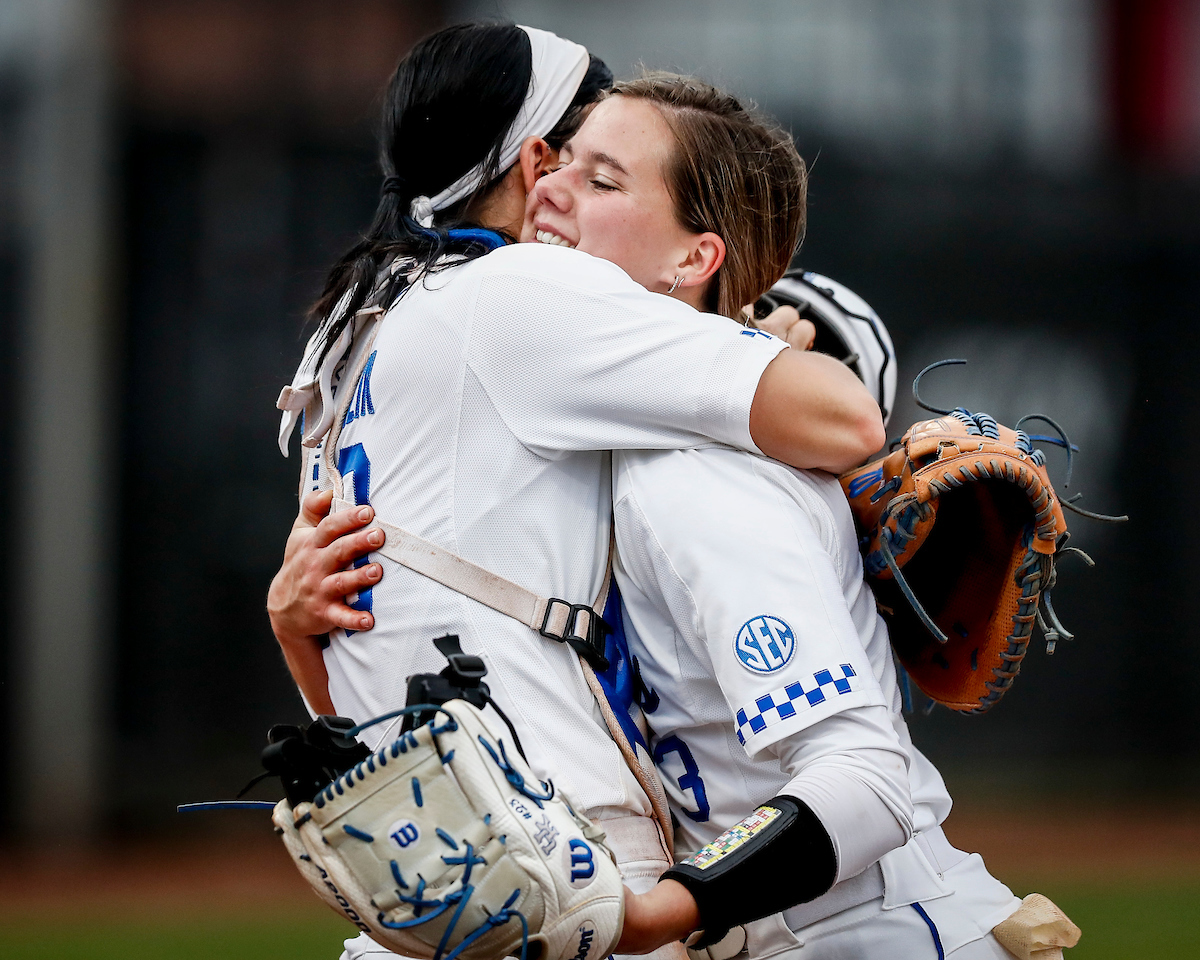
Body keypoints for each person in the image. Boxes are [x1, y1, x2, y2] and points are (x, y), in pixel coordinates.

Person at [268, 21, 883, 960]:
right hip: (569, 868)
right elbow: (844, 421)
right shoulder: (516, 291)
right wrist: (766, 335)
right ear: (537, 155)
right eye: (583, 148)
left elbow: (357, 652)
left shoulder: (353, 336)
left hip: (426, 884)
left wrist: (289, 630)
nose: (574, 179)